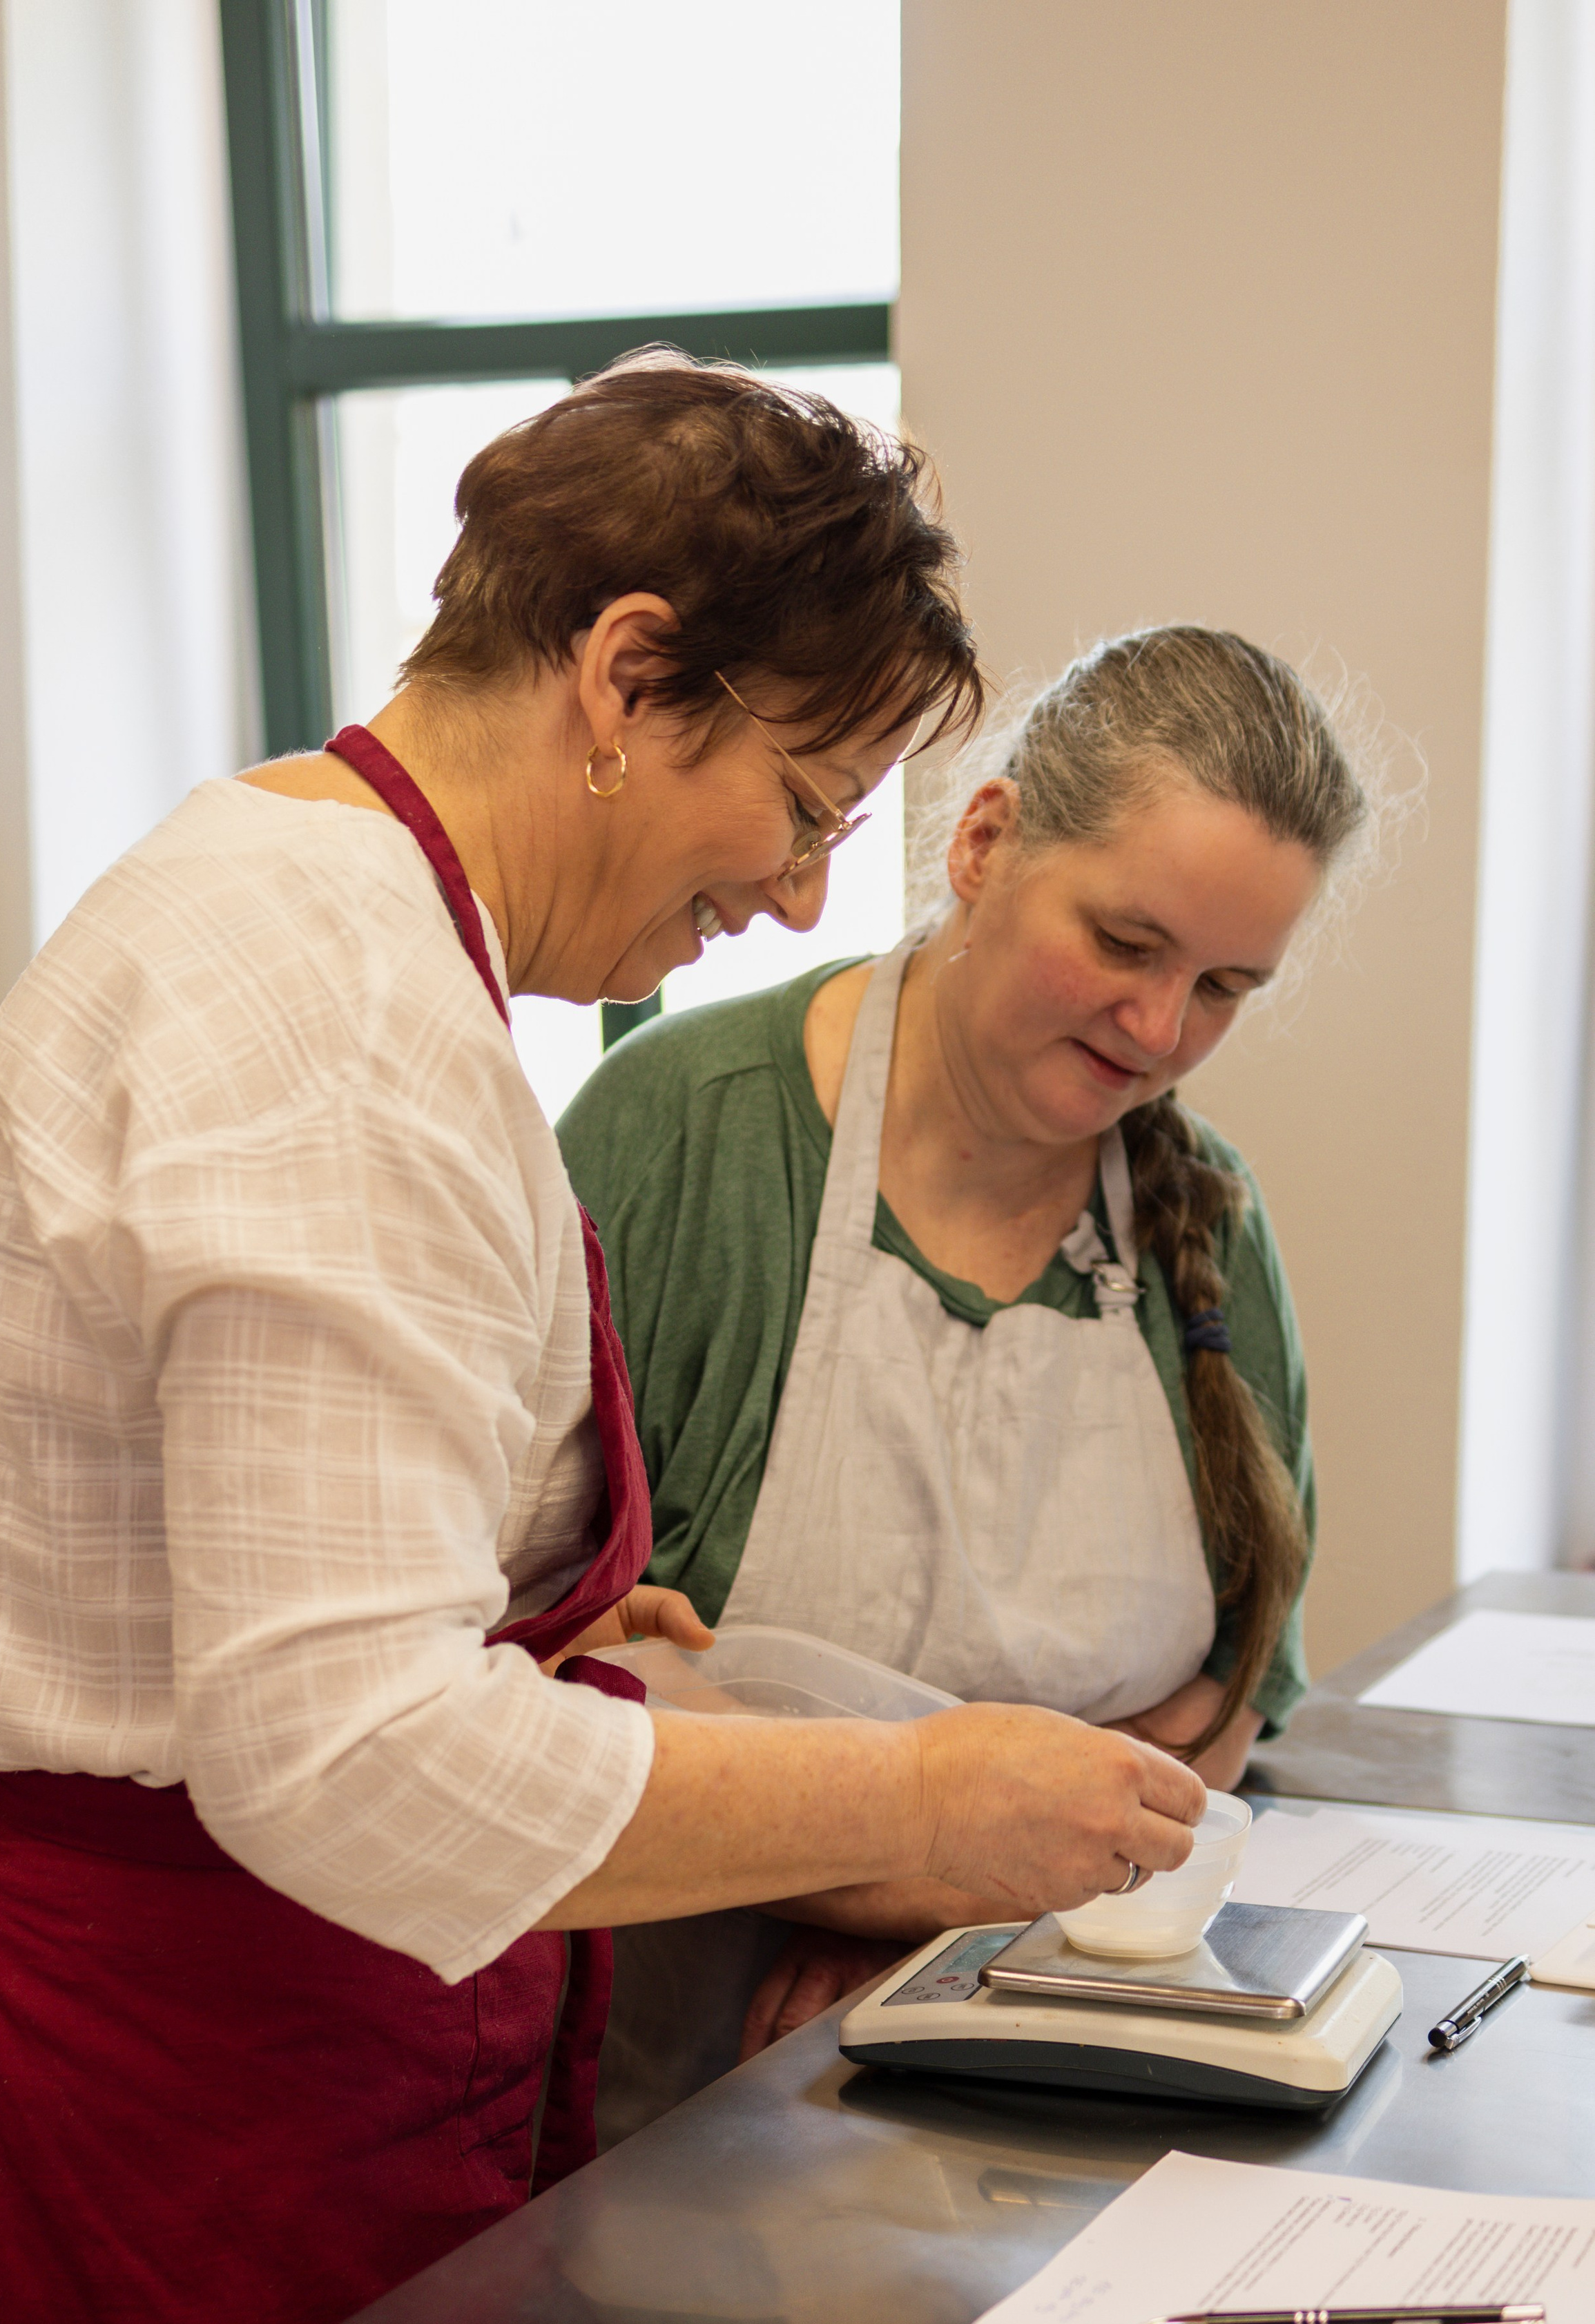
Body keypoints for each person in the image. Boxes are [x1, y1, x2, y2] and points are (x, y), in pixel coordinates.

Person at [0, 360, 1208, 2324]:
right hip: (177, 2097)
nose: (796, 901)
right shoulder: (333, 1018)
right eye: (802, 802)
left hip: (273, 2037)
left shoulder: (324, 904)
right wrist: (918, 1799)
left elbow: (270, 1572)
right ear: (627, 678)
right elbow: (349, 1759)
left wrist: (520, 1612)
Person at [561, 624, 1372, 2141]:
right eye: (1123, 944)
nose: (1159, 1031)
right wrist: (895, 1890)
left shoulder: (1204, 1220)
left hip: (1080, 2057)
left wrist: (945, 1936)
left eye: (1222, 986)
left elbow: (1234, 1691)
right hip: (681, 2106)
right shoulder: (684, 1138)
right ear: (985, 841)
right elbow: (551, 1680)